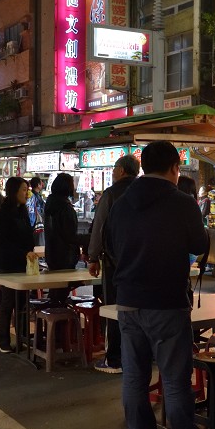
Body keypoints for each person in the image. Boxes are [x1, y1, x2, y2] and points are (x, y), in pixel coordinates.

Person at [106, 141, 215, 429]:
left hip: (127, 301)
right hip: (167, 303)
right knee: (174, 380)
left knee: (134, 378)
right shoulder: (182, 203)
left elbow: (111, 246)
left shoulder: (121, 203)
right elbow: (199, 244)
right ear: (173, 168)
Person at [87, 154, 140, 375]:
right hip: (140, 261)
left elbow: (99, 227)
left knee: (113, 309)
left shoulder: (111, 194)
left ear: (121, 170)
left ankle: (114, 359)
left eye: (114, 167)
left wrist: (92, 256)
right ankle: (136, 355)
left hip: (114, 262)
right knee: (137, 309)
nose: (112, 171)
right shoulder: (142, 192)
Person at [0, 176, 36, 353]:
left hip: (24, 264)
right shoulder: (2, 215)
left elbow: (28, 236)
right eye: (24, 190)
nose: (27, 193)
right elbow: (3, 243)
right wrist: (23, 252)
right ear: (14, 191)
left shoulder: (23, 211)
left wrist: (29, 252)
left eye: (27, 190)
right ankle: (3, 340)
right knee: (8, 302)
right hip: (8, 264)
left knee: (23, 303)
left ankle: (22, 337)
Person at [43, 172, 80, 305]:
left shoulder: (50, 203)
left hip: (52, 254)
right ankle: (60, 322)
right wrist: (87, 241)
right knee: (61, 294)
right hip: (65, 256)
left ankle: (53, 320)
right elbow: (70, 235)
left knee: (56, 291)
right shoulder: (65, 207)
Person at [27, 176, 46, 245]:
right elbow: (33, 212)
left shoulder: (32, 195)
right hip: (36, 224)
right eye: (41, 183)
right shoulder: (34, 197)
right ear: (38, 185)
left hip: (34, 224)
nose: (43, 184)